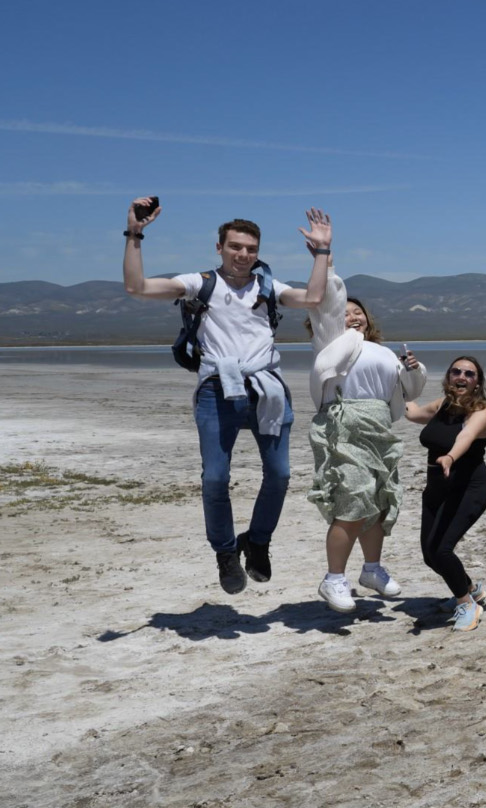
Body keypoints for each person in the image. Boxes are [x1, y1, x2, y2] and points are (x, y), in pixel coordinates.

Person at [119, 198, 332, 594]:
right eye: (236, 247)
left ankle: (258, 541)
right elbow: (137, 287)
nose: (243, 255)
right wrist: (135, 233)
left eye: (251, 249)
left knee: (281, 474)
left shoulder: (269, 285)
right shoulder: (201, 284)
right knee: (215, 478)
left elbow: (315, 299)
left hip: (267, 389)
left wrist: (322, 251)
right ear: (220, 247)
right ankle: (225, 552)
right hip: (216, 392)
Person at [306, 281, 428, 613]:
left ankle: (372, 569)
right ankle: (334, 578)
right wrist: (325, 260)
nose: (352, 317)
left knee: (378, 501)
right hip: (343, 424)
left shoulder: (383, 352)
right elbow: (324, 305)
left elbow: (408, 394)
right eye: (344, 313)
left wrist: (414, 370)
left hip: (378, 427)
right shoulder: (331, 344)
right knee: (352, 498)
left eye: (358, 312)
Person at [405, 357, 486, 632]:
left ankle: (467, 604)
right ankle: (470, 588)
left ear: (477, 382)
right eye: (456, 371)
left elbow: (465, 437)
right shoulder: (442, 405)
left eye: (469, 373)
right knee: (429, 555)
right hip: (436, 489)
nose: (462, 376)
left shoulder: (481, 411)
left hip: (468, 488)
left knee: (441, 549)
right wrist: (402, 381)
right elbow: (413, 413)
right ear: (448, 377)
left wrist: (450, 457)